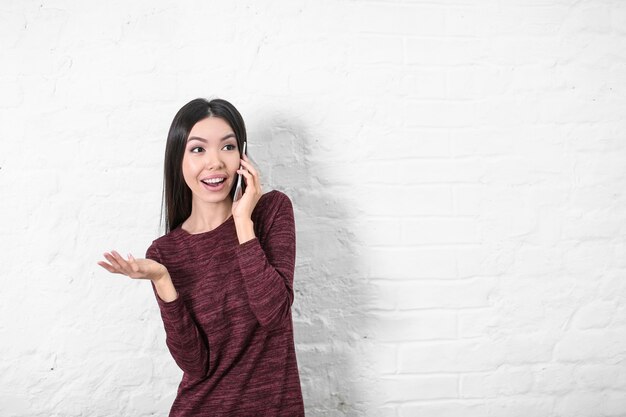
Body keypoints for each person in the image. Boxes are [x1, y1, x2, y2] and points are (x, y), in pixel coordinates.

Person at [97, 98, 305, 416]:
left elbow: (273, 314)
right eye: (198, 149)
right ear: (178, 160)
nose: (215, 163)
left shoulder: (271, 212)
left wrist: (243, 222)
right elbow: (195, 364)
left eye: (227, 147)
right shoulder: (165, 253)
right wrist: (162, 279)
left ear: (243, 156)